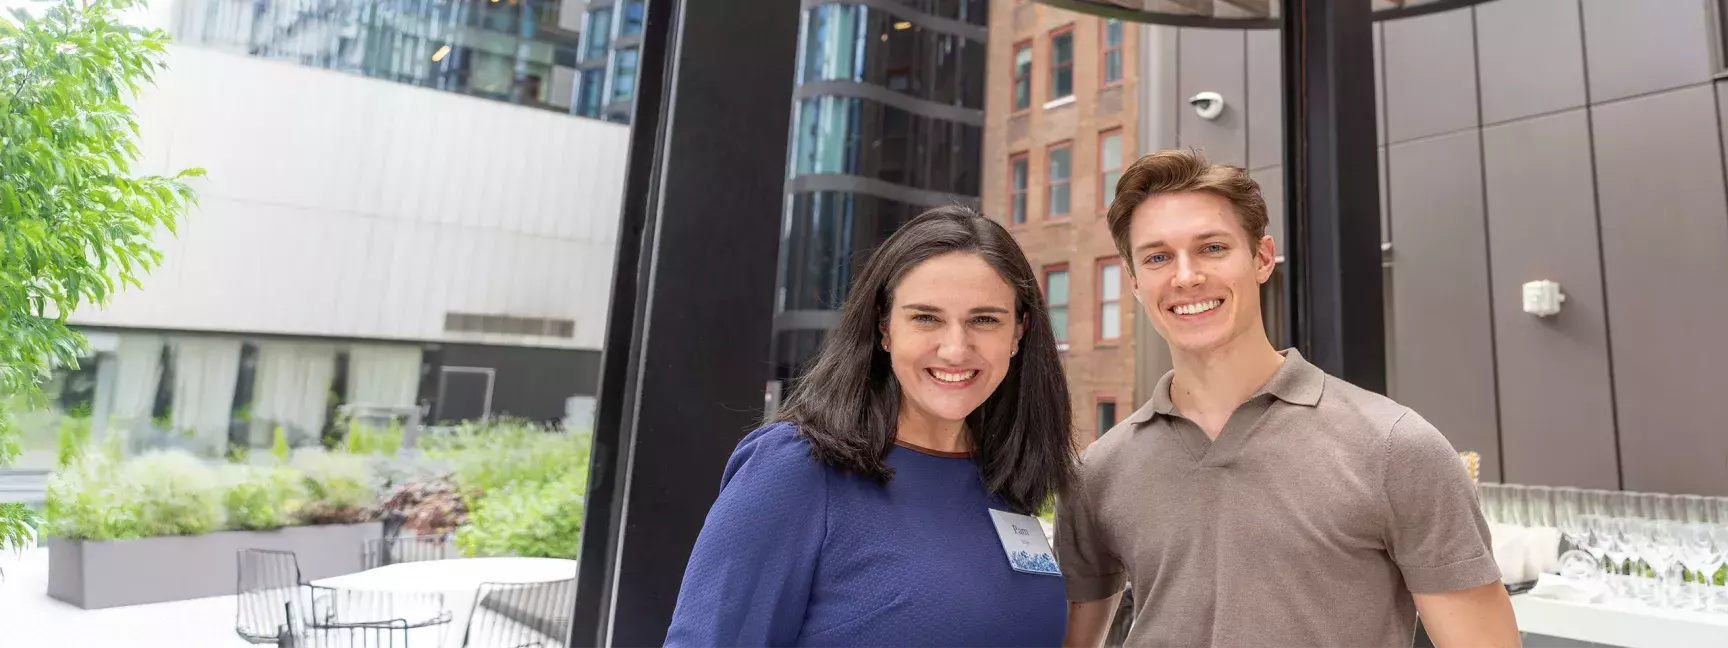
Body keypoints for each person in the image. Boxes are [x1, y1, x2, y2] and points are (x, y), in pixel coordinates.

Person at [1057, 150, 1520, 648]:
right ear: (1134, 283)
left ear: (1261, 258)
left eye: (1212, 248)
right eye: (1157, 257)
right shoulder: (1098, 473)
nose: (1186, 276)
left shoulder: (1395, 448)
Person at [664, 205, 1076, 647]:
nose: (956, 349)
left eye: (985, 319)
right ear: (884, 328)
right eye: (926, 317)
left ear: (1018, 332)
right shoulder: (798, 469)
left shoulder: (1001, 480)